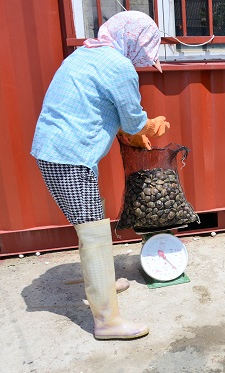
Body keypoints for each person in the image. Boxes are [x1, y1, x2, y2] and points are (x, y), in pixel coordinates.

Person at [31, 11, 170, 340]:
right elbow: (134, 121)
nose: (141, 59)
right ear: (134, 42)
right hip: (68, 158)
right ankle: (107, 321)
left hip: (57, 153)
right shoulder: (119, 66)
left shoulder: (86, 54)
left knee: (91, 225)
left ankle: (103, 285)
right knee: (94, 233)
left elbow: (107, 107)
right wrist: (152, 126)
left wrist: (136, 131)